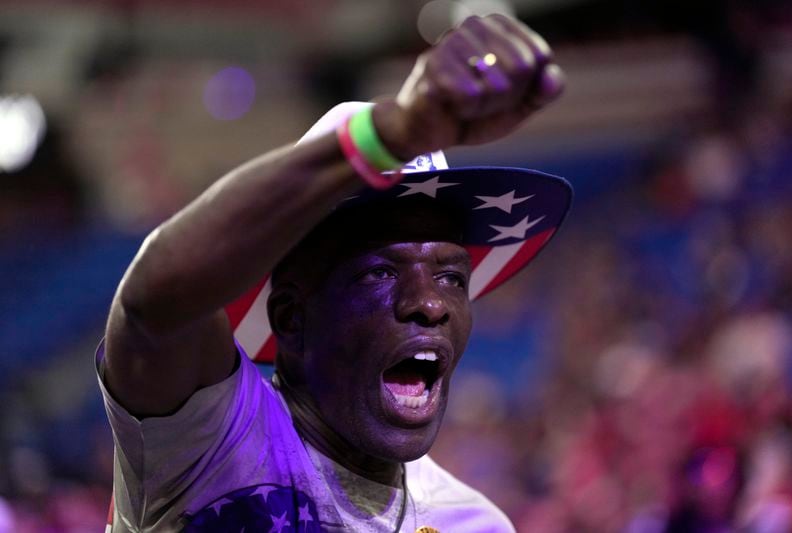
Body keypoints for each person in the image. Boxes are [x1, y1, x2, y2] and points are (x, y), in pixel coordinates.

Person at [97, 14, 571, 532]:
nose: (430, 303)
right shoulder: (208, 439)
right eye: (379, 273)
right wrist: (389, 136)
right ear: (292, 317)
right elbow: (153, 303)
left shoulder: (476, 524)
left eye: (452, 277)